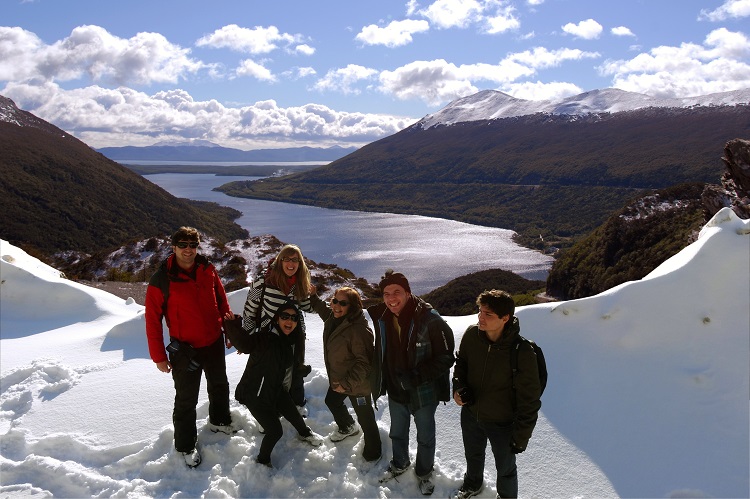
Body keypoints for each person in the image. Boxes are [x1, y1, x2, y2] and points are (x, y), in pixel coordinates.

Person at [144, 226, 236, 469]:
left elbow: (221, 297)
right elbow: (152, 320)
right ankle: (185, 446)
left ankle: (219, 420)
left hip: (213, 340)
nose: (188, 250)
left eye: (192, 245)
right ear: (173, 247)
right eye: (183, 245)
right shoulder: (161, 279)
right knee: (186, 399)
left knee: (219, 384)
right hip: (186, 349)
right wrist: (158, 357)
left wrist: (228, 330)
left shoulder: (207, 268)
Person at [367, 270, 455, 496]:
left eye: (397, 292)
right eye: (386, 293)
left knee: (425, 437)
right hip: (396, 390)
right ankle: (400, 463)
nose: (391, 298)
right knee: (398, 433)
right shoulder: (382, 317)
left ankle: (424, 473)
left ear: (408, 292)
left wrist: (416, 376)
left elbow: (446, 357)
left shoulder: (430, 319)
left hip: (423, 392)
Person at [451, 290, 542, 499]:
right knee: (473, 457)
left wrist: (521, 437)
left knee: (506, 469)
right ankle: (473, 485)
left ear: (505, 318)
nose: (480, 318)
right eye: (480, 311)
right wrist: (457, 389)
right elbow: (461, 366)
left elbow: (530, 400)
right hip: (471, 415)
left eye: (488, 314)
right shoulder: (472, 335)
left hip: (503, 424)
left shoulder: (522, 351)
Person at [234, 300, 324, 467]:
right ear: (276, 319)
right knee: (275, 431)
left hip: (275, 389)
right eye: (285, 316)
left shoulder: (289, 341)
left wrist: (300, 370)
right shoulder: (265, 337)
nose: (289, 321)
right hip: (255, 395)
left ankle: (305, 433)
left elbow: (282, 367)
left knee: (293, 413)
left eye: (294, 318)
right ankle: (262, 460)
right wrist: (232, 324)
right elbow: (244, 345)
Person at [310, 286, 382, 462]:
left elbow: (365, 363)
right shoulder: (335, 318)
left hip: (358, 385)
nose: (336, 306)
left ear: (353, 306)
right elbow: (323, 311)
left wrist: (347, 384)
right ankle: (348, 426)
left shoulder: (358, 330)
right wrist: (313, 297)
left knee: (366, 420)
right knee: (332, 401)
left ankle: (374, 453)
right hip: (340, 379)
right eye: (335, 300)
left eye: (343, 303)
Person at [241, 244, 313, 415]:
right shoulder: (264, 281)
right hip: (269, 337)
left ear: (300, 263)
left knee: (295, 370)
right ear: (280, 261)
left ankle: (296, 404)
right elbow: (250, 310)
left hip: (295, 335)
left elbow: (306, 306)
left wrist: (333, 306)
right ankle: (267, 408)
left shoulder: (300, 282)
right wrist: (249, 338)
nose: (291, 263)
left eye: (295, 260)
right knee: (270, 374)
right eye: (286, 259)